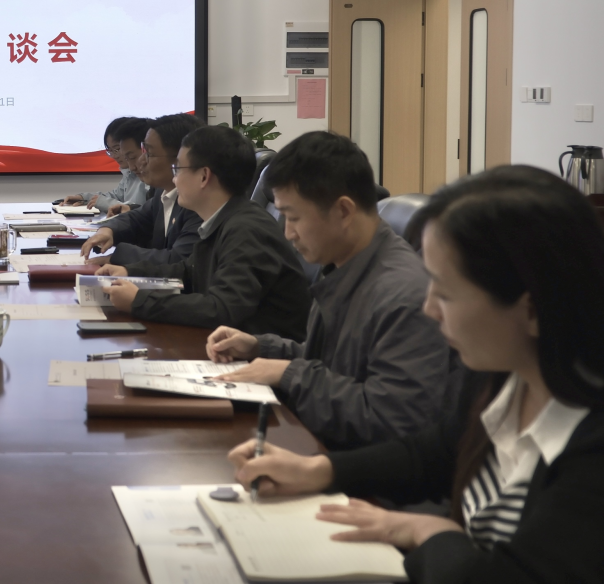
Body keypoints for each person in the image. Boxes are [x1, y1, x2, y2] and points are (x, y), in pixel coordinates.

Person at [228, 166, 604, 582]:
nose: (429, 309)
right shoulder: (502, 373)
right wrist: (321, 470)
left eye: (446, 293)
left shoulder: (591, 450)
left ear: (533, 310)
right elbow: (436, 452)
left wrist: (428, 532)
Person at [206, 131, 453, 450]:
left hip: (355, 469)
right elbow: (334, 362)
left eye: (293, 217)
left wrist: (290, 373)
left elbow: (390, 419)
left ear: (344, 211)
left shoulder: (402, 294)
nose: (288, 233)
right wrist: (259, 347)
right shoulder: (344, 264)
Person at [97, 125, 310, 341]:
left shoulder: (247, 230)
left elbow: (222, 309)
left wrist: (139, 301)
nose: (174, 179)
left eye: (178, 169)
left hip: (260, 354)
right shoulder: (224, 219)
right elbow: (188, 271)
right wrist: (129, 271)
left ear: (203, 176)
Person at [80, 114, 204, 266]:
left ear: (181, 156)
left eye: (149, 154)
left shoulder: (198, 201)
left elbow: (178, 259)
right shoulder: (162, 193)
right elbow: (136, 218)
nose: (141, 162)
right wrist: (107, 230)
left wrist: (118, 257)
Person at [63, 116, 151, 212]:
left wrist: (105, 203)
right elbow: (116, 196)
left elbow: (146, 212)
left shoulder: (150, 175)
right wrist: (85, 198)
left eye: (117, 149)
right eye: (110, 151)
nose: (115, 156)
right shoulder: (130, 173)